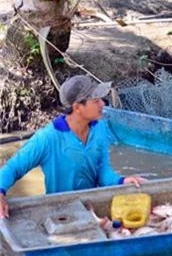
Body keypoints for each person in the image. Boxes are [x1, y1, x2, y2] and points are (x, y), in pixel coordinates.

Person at [0, 75, 145, 219]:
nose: (102, 104)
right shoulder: (48, 138)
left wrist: (122, 181)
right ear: (77, 107)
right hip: (59, 212)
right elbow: (13, 168)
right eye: (96, 101)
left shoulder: (99, 128)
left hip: (90, 208)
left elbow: (103, 172)